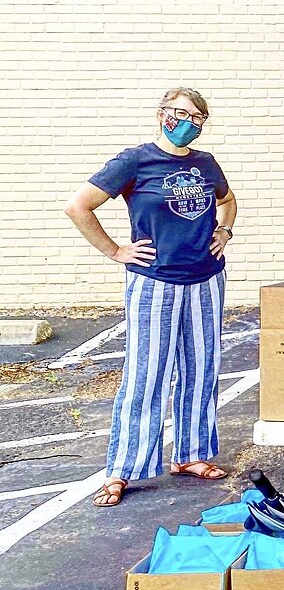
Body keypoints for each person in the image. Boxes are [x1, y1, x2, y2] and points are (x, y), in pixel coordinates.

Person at [65, 88, 237, 507]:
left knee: (201, 369)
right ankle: (123, 469)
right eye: (181, 114)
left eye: (197, 118)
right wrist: (116, 251)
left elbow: (227, 201)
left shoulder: (205, 163)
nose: (188, 123)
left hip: (205, 279)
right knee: (146, 375)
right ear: (162, 115)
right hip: (154, 280)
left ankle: (191, 455)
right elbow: (79, 207)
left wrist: (225, 230)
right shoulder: (135, 161)